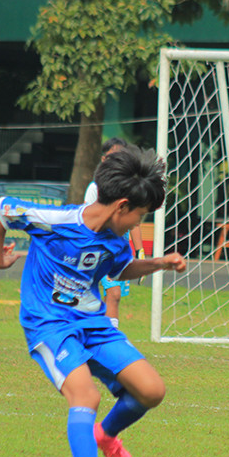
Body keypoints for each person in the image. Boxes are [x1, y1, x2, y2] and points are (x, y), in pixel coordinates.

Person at [0, 145, 187, 457]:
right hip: (49, 324)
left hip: (93, 322)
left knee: (151, 390)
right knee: (86, 395)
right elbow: (0, 208)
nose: (137, 224)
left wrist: (158, 263)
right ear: (121, 206)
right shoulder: (54, 220)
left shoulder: (115, 238)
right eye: (139, 216)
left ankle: (106, 436)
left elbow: (120, 268)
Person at [85, 138, 146, 329]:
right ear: (104, 159)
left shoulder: (128, 188)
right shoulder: (95, 188)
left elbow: (133, 221)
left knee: (113, 297)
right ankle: (107, 341)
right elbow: (89, 221)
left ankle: (103, 337)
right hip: (101, 248)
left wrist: (140, 251)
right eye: (114, 157)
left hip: (119, 250)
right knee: (113, 293)